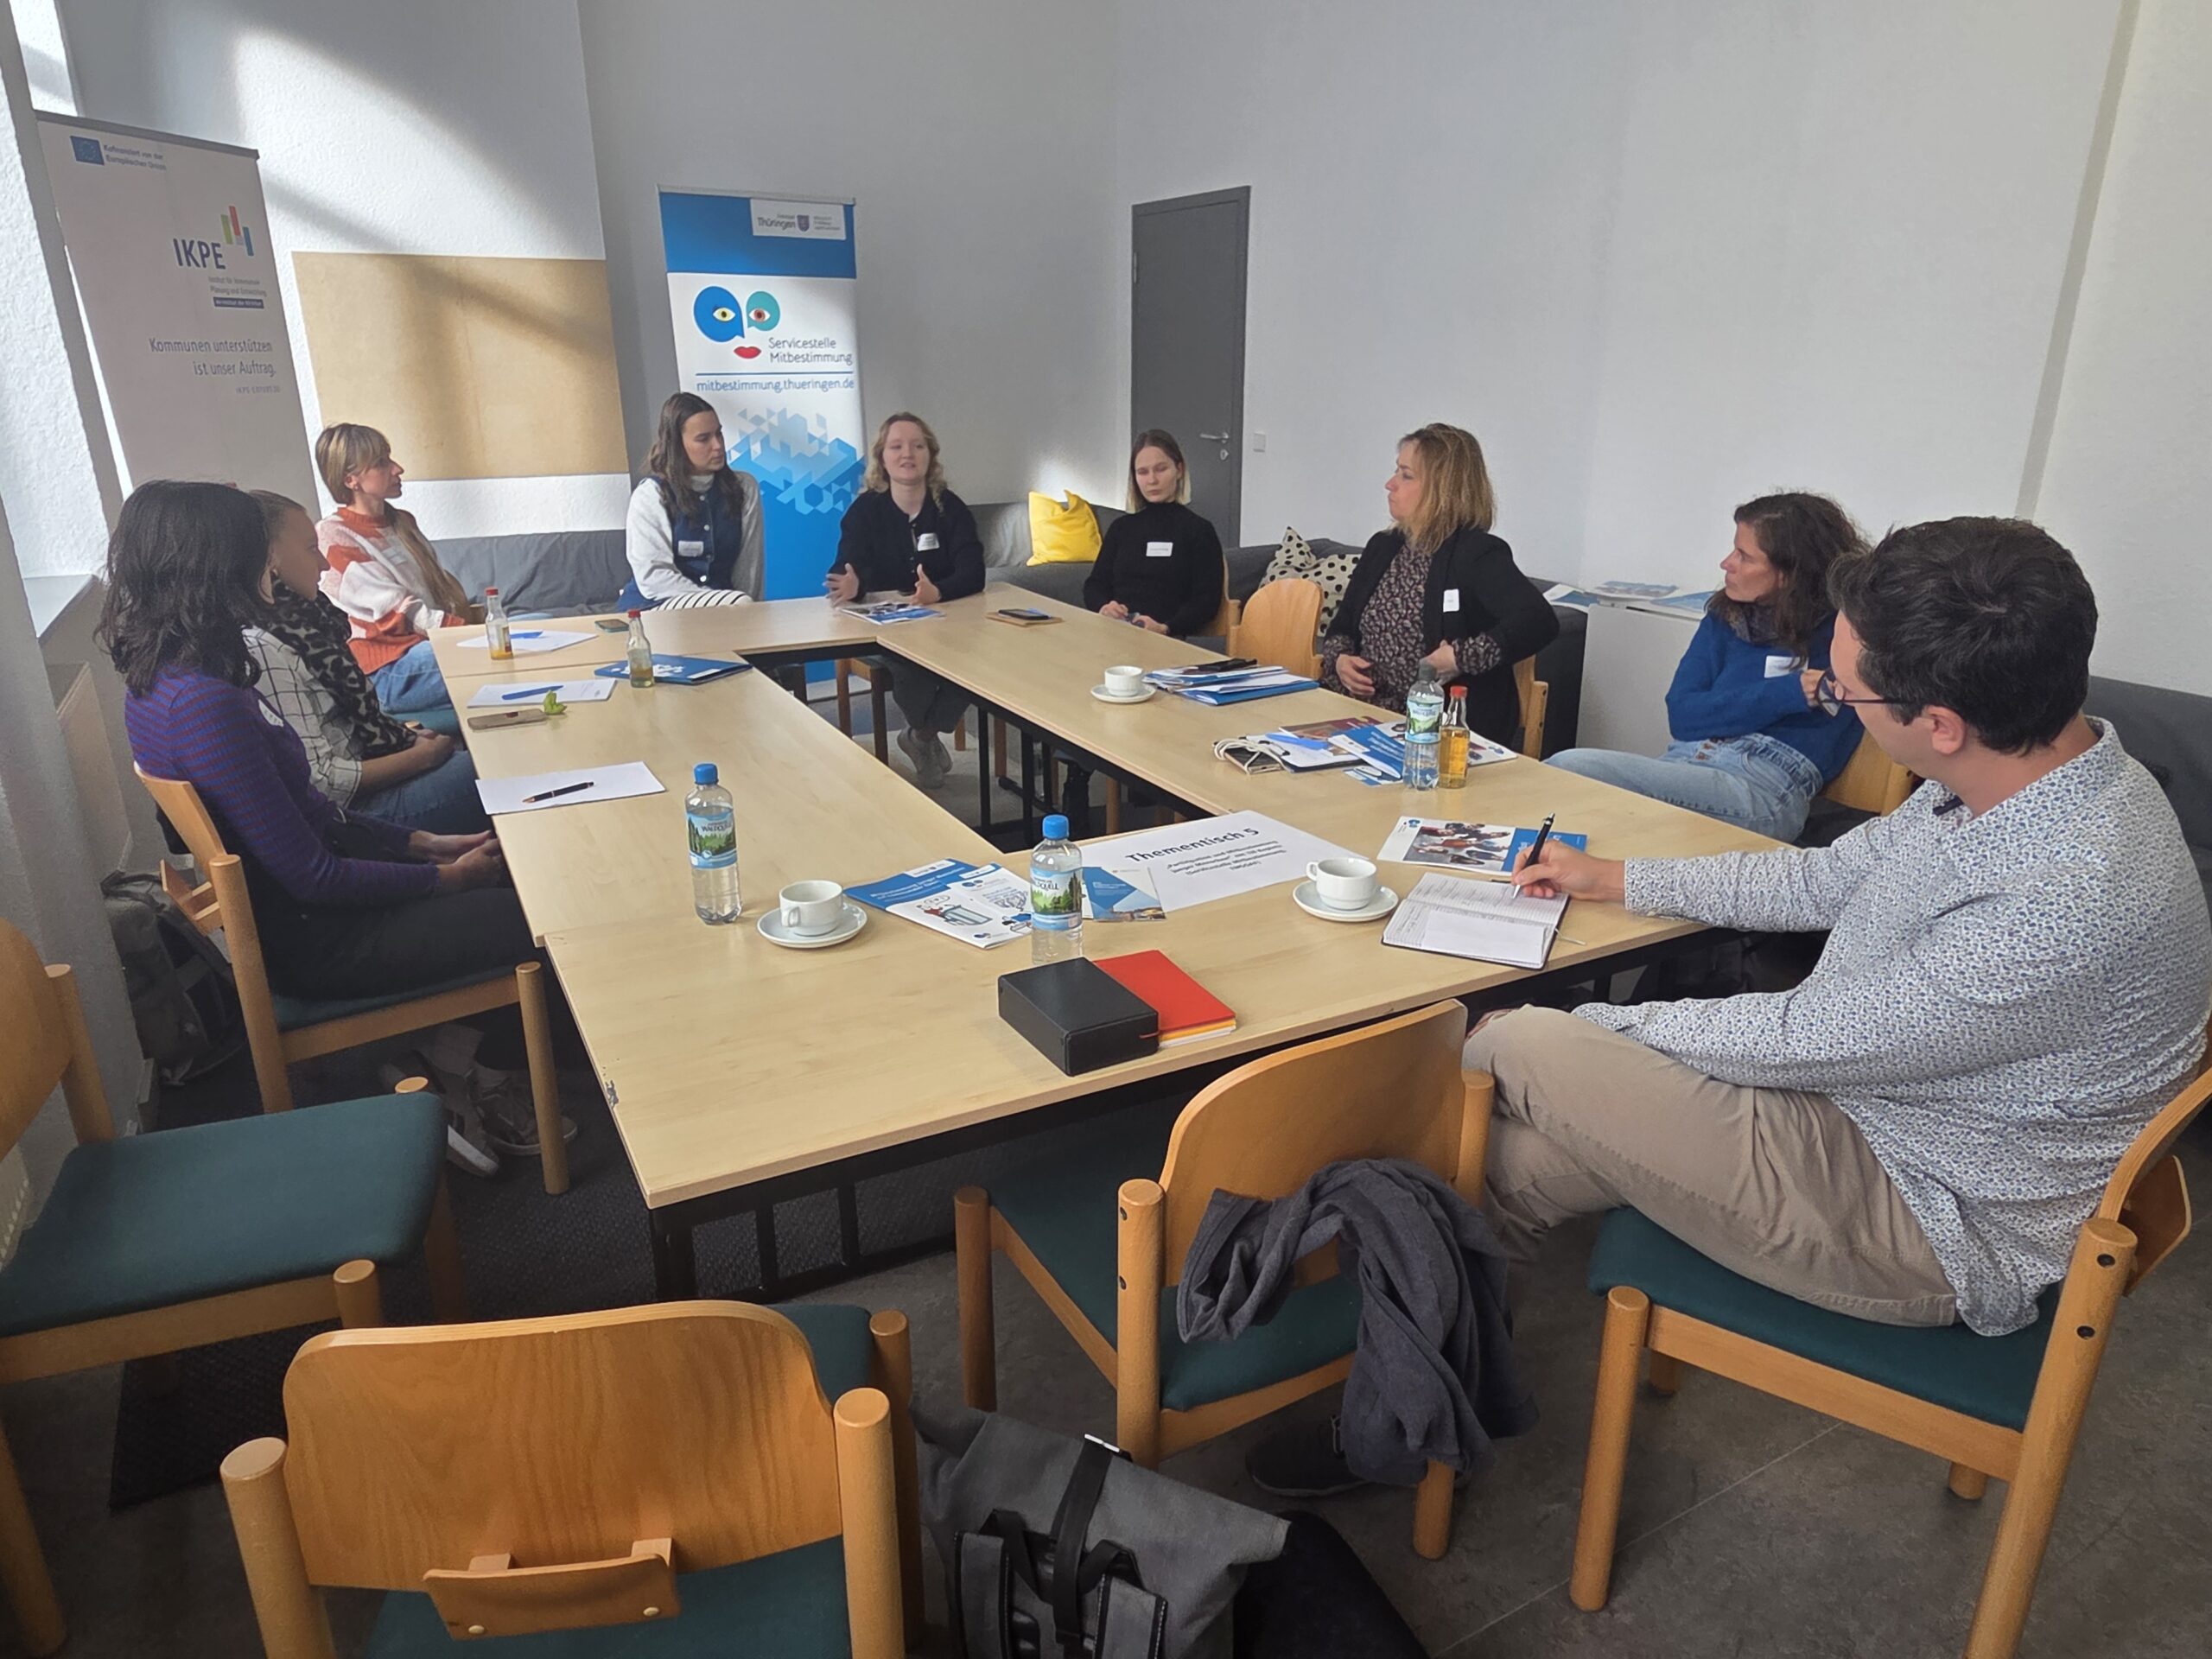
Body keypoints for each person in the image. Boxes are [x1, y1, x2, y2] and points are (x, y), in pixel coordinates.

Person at [102, 480, 575, 1171]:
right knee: (531, 916)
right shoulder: (205, 704)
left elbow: (312, 813)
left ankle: (449, 1058)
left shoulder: (166, 681)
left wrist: (422, 843)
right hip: (317, 942)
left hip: (306, 916)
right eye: (253, 553)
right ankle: (481, 1074)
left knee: (509, 881)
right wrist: (447, 879)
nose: (266, 568)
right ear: (213, 566)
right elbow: (313, 875)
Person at [1545, 493, 1866, 842]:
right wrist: (1791, 692)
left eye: (1744, 556)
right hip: (1687, 764)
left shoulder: (1846, 633)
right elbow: (1683, 716)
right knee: (1572, 804)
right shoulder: (1725, 616)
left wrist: (1730, 709)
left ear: (1789, 575)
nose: (1726, 563)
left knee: (1566, 770)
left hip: (1762, 785)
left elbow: (1831, 739)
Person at [244, 490, 488, 836]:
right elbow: (323, 782)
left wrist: (406, 739)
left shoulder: (308, 623)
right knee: (497, 766)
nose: (324, 564)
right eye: (311, 549)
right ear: (270, 558)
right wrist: (423, 757)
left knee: (490, 754)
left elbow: (349, 728)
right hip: (353, 815)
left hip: (366, 777)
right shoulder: (266, 646)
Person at [1319, 424, 1557, 747]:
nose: (1390, 484)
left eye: (1406, 475)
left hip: (1436, 732)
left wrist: (1459, 657)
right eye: (1396, 471)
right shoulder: (1383, 546)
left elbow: (1539, 621)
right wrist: (1340, 660)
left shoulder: (1477, 554)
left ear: (1442, 490)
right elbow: (1342, 626)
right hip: (1361, 717)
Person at [825, 412, 984, 788]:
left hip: (946, 624)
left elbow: (974, 571)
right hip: (886, 633)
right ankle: (925, 737)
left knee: (974, 667)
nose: (907, 454)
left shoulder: (950, 508)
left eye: (917, 446)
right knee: (913, 671)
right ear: (882, 457)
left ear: (931, 454)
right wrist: (854, 584)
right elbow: (843, 569)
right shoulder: (866, 511)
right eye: (896, 447)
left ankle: (919, 737)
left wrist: (938, 592)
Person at [314, 422, 474, 715]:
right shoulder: (333, 534)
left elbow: (437, 596)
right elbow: (398, 612)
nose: (398, 469)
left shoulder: (404, 522)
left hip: (427, 647)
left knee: (535, 624)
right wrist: (472, 635)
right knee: (501, 654)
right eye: (381, 463)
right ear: (351, 480)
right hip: (389, 669)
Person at [618, 391, 763, 611]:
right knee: (740, 604)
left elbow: (749, 569)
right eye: (703, 439)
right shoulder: (650, 494)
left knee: (745, 607)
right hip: (656, 605)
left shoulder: (744, 487)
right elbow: (654, 579)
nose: (718, 446)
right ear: (676, 444)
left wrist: (751, 614)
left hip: (725, 607)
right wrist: (723, 602)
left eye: (719, 434)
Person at [1083, 429, 1225, 637]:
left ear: (1179, 470)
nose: (1152, 480)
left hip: (1166, 639)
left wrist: (1166, 628)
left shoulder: (1199, 530)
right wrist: (1105, 607)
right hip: (1116, 634)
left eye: (1161, 469)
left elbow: (1207, 600)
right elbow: (1095, 585)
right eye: (1143, 472)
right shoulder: (1121, 528)